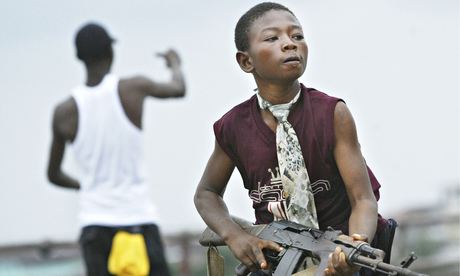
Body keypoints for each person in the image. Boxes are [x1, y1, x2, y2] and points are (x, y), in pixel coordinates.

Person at [194, 2, 389, 275]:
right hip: (277, 261)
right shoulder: (232, 127)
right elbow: (206, 194)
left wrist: (355, 245)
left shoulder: (332, 113)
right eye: (273, 38)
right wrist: (234, 236)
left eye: (297, 36)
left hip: (338, 257)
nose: (289, 44)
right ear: (246, 61)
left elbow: (363, 199)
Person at [47, 22, 185, 276]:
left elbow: (53, 175)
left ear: (79, 57)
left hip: (95, 225)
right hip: (138, 219)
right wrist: (175, 63)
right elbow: (178, 89)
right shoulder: (133, 88)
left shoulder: (64, 112)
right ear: (111, 52)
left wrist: (86, 184)